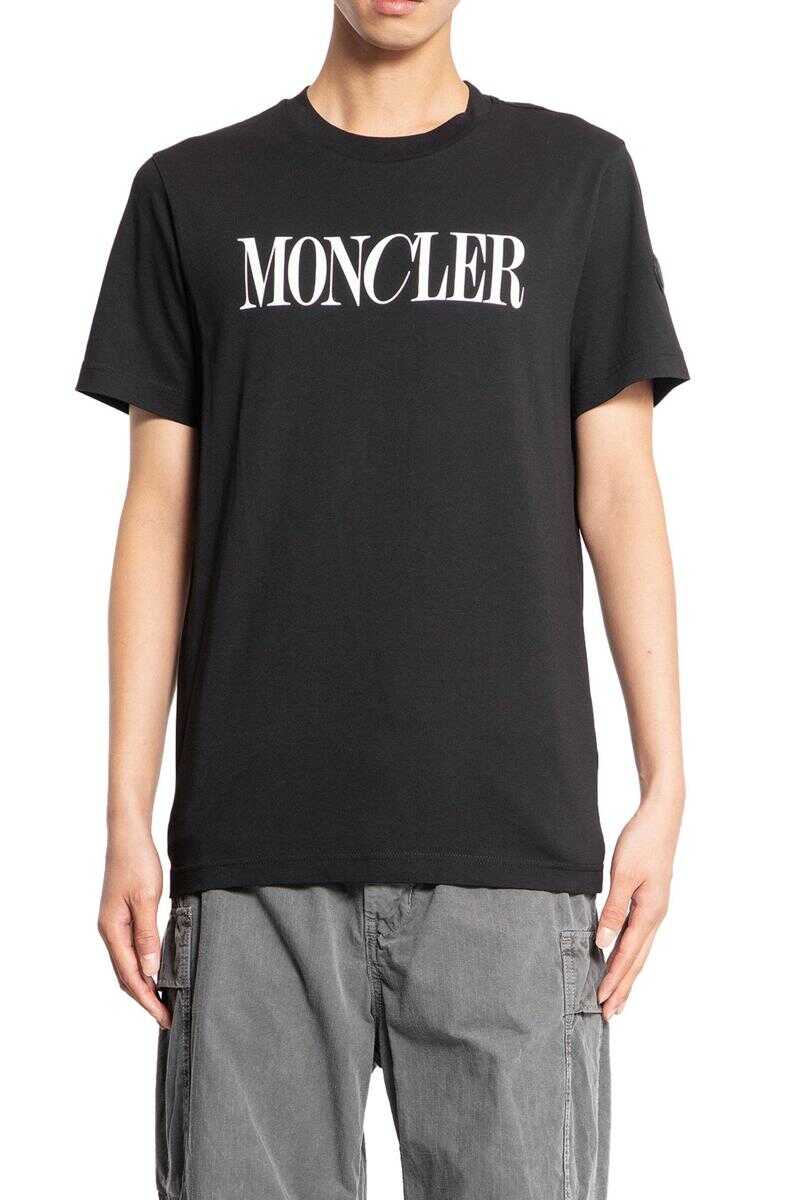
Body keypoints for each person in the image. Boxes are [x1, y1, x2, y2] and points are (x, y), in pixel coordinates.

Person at [77, 2, 688, 1197]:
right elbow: (156, 514)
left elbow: (618, 488)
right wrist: (123, 813)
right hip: (254, 846)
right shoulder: (191, 193)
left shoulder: (574, 180)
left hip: (509, 843)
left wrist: (664, 783)